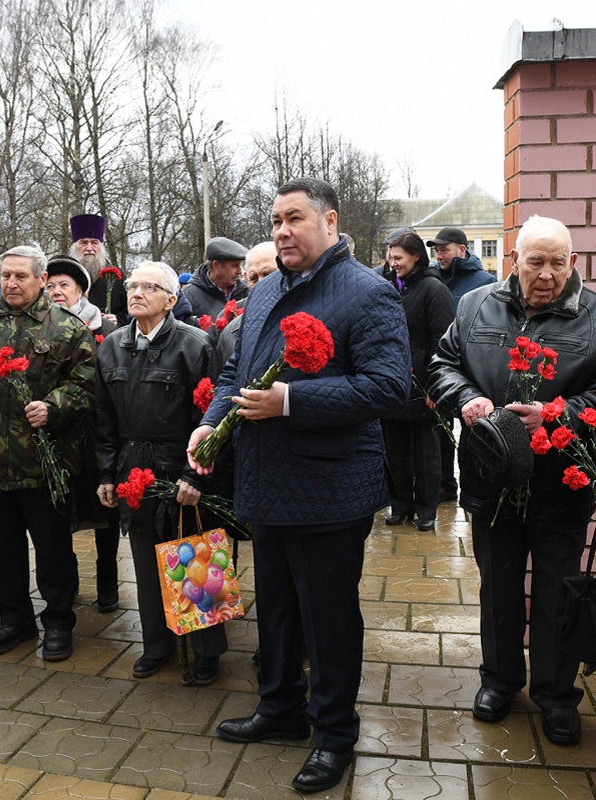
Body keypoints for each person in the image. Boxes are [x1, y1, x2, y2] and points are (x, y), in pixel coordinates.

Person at [189, 178, 410, 793]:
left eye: (294, 219)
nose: (282, 230)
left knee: (328, 618)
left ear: (330, 222)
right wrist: (210, 426)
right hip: (266, 483)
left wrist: (291, 400)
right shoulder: (266, 292)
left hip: (329, 491)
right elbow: (235, 370)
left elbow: (390, 387)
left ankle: (334, 733)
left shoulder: (367, 293)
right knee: (278, 609)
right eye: (275, 220)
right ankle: (280, 708)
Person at [427, 215, 596, 746]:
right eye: (535, 261)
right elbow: (442, 364)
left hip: (559, 482)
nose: (546, 274)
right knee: (497, 587)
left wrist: (555, 414)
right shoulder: (475, 306)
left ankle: (556, 694)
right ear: (514, 259)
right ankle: (498, 681)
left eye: (557, 263)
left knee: (556, 593)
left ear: (573, 263)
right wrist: (463, 398)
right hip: (491, 479)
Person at [0, 245, 96, 662]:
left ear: (41, 279)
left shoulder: (67, 328)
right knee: (2, 549)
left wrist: (53, 406)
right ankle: (14, 621)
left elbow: (86, 385)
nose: (11, 283)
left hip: (45, 463)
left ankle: (59, 623)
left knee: (53, 551)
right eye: (6, 275)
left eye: (21, 276)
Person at [96, 261, 227, 684]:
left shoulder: (195, 345)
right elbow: (104, 421)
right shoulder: (112, 346)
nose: (136, 292)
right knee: (145, 558)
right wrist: (106, 474)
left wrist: (196, 476)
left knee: (194, 559)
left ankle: (206, 652)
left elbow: (213, 416)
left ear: (171, 300)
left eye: (148, 287)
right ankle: (157, 645)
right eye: (132, 285)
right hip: (133, 468)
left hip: (179, 464)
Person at [45, 253, 120, 612]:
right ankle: (69, 576)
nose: (57, 292)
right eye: (51, 286)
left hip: (97, 432)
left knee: (105, 505)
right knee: (62, 509)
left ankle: (108, 578)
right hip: (58, 435)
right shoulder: (40, 328)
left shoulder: (106, 329)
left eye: (65, 285)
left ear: (80, 292)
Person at [380, 230, 454, 531]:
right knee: (394, 448)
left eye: (399, 257)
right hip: (393, 379)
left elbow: (444, 340)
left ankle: (426, 509)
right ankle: (400, 505)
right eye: (390, 257)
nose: (393, 262)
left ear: (415, 256)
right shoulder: (387, 286)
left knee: (426, 452)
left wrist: (436, 384)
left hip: (423, 381)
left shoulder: (433, 289)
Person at [426, 226, 496, 503]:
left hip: (475, 369)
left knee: (473, 430)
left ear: (462, 250)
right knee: (440, 429)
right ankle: (445, 484)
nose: (439, 255)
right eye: (437, 250)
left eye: (444, 249)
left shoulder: (484, 281)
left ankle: (476, 484)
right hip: (445, 367)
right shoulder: (433, 279)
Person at [215, 241, 278, 368]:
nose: (261, 284)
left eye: (268, 275)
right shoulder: (229, 322)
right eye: (254, 278)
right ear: (246, 278)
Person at [71, 213, 129, 326]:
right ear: (74, 246)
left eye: (94, 243)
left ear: (101, 246)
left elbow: (130, 312)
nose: (89, 248)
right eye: (83, 242)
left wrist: (118, 320)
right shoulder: (64, 274)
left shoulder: (116, 275)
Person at [181, 236, 250, 329]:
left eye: (240, 265)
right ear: (216, 265)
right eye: (234, 266)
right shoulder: (189, 295)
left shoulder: (246, 291)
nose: (240, 271)